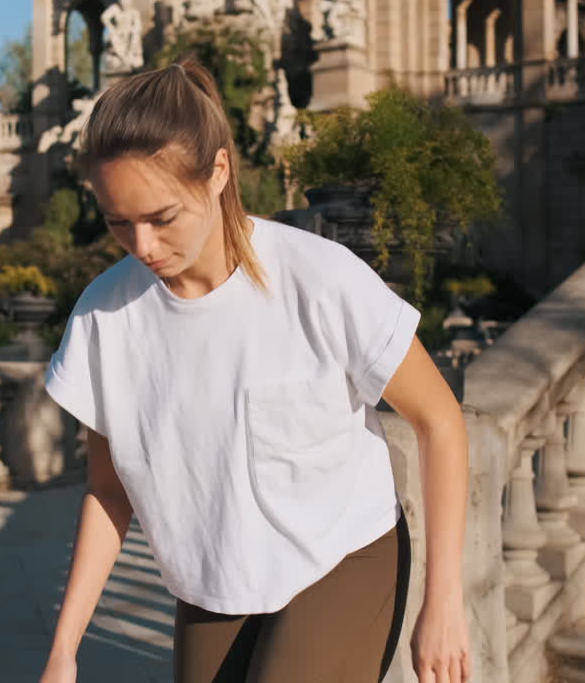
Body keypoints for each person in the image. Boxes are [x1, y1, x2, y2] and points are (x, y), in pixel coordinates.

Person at [38, 56, 472, 683]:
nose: (143, 247)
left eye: (161, 218)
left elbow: (439, 418)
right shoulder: (104, 317)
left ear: (218, 171)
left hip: (343, 557)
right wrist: (63, 650)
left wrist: (445, 601)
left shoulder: (318, 278)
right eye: (118, 224)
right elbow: (109, 493)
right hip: (214, 579)